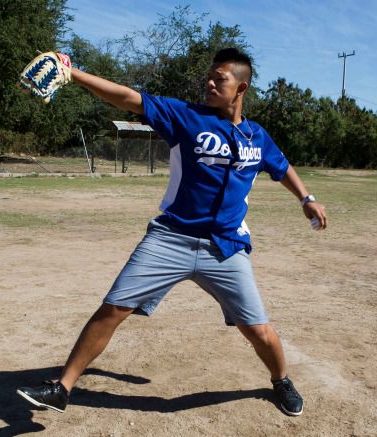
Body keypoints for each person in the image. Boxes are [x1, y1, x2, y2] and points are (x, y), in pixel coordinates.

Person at [17, 48, 327, 417]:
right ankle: (62, 388)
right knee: (114, 307)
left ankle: (280, 381)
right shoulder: (186, 116)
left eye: (220, 78)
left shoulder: (256, 136)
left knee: (257, 329)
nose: (210, 83)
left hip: (225, 248)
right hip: (170, 239)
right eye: (208, 77)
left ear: (241, 87)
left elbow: (282, 166)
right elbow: (129, 98)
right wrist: (74, 74)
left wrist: (306, 197)